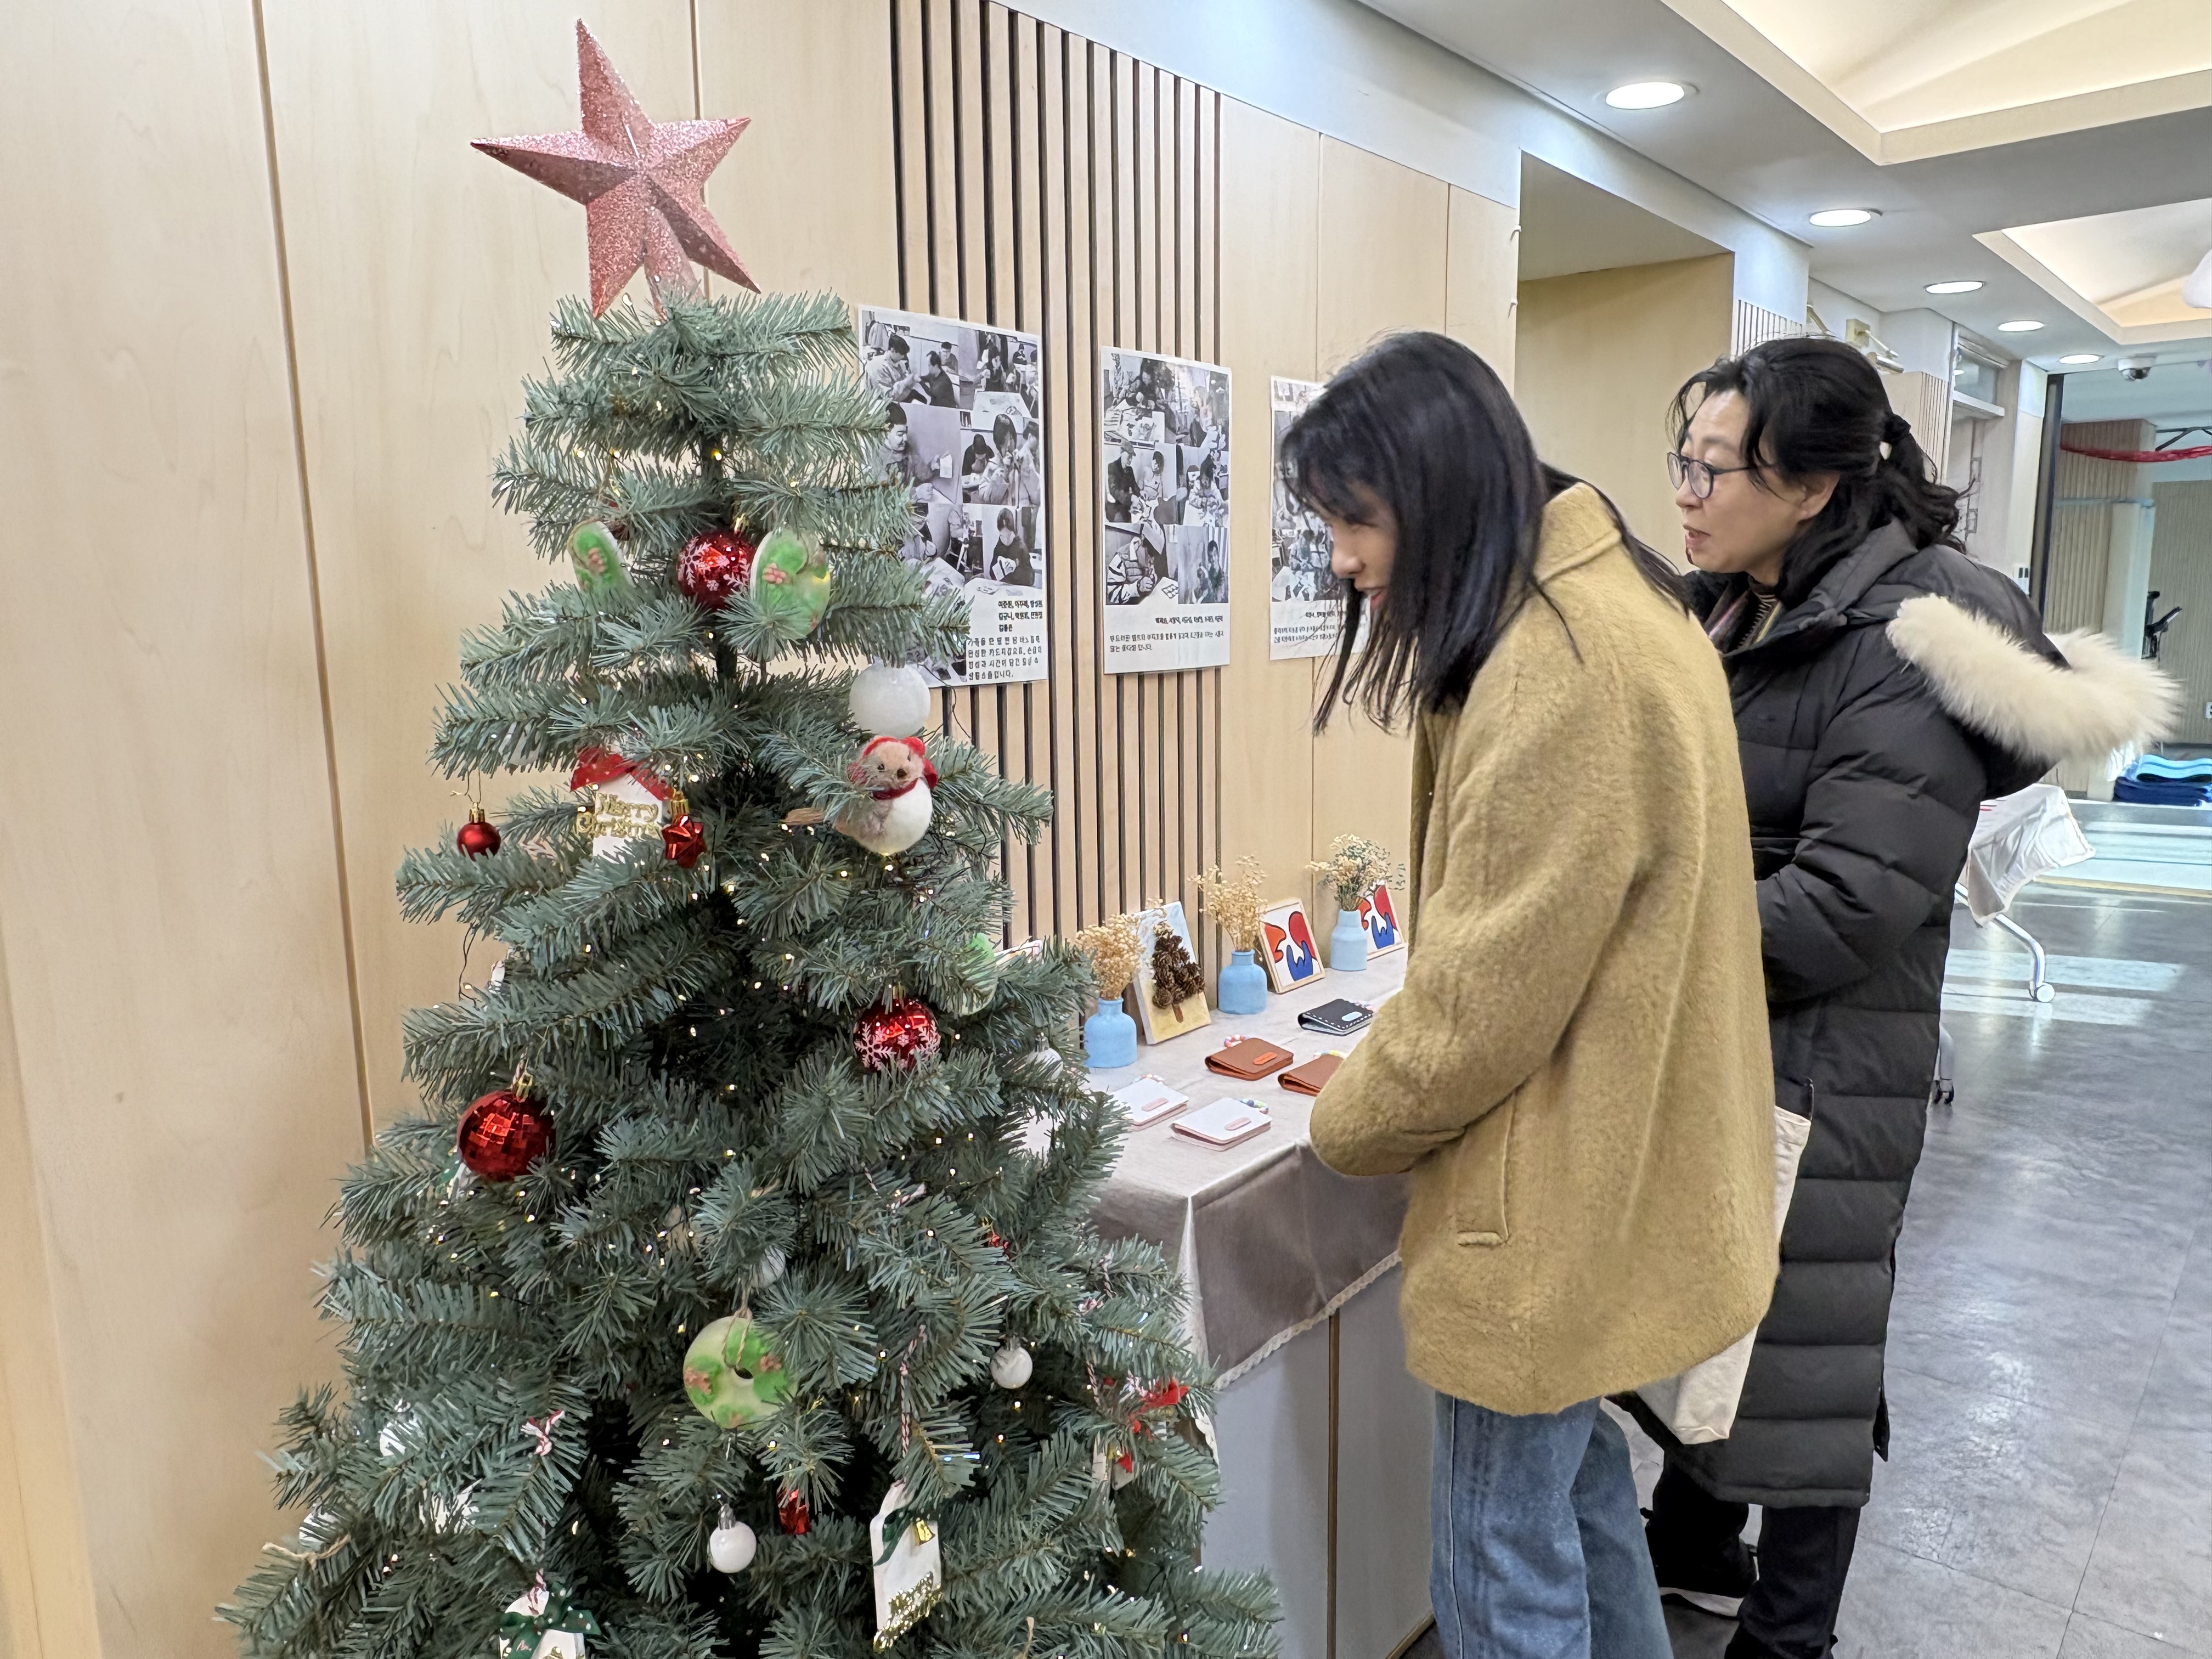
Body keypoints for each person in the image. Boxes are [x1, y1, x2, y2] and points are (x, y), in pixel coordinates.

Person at [1632, 336, 2177, 1659]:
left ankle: (1790, 1636)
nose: (1687, 494)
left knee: (1811, 1349)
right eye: (1683, 462)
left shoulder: (1900, 640)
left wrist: (1634, 935)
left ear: (1813, 487)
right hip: (1735, 1026)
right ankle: (1693, 1544)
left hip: (1828, 1060)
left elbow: (1842, 907)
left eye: (1714, 469)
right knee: (1727, 1316)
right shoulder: (1751, 600)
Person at [1292, 331, 1778, 1659]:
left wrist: (1343, 1123)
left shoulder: (1557, 661)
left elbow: (1481, 1008)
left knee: (1501, 1558)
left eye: (1353, 520)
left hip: (1546, 1205)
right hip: (1611, 1169)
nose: (1341, 560)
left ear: (1436, 495)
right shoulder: (1616, 604)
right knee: (1579, 1497)